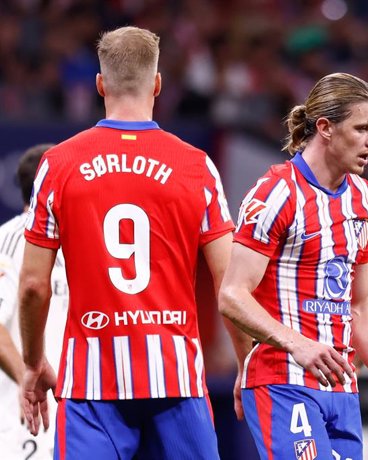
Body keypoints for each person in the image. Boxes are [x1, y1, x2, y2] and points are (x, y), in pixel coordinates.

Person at [19, 26, 236, 459]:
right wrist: (247, 364)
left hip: (90, 384)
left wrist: (34, 361)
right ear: (157, 84)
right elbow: (230, 285)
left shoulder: (58, 164)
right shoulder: (197, 166)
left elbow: (32, 286)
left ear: (100, 84)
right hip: (177, 378)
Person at [219, 72, 368, 460]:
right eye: (362, 128)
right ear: (324, 127)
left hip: (341, 389)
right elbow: (231, 295)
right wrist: (296, 345)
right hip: (282, 379)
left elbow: (359, 306)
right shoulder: (275, 193)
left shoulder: (366, 201)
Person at [0, 144, 68, 460]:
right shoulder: (9, 240)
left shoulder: (75, 244)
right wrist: (29, 376)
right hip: (25, 416)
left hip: (72, 412)